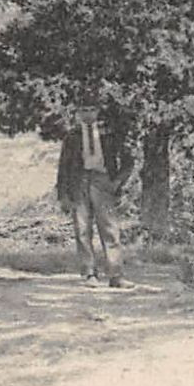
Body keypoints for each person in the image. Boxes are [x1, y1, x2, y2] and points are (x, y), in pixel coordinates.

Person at [56, 103, 133, 287]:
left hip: (103, 180)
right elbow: (63, 167)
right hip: (79, 181)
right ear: (78, 113)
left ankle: (116, 275)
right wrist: (63, 195)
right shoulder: (72, 136)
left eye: (91, 109)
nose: (88, 113)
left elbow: (128, 159)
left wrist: (117, 182)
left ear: (98, 111)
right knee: (82, 229)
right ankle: (89, 273)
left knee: (110, 228)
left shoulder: (109, 134)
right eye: (84, 110)